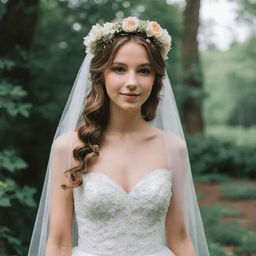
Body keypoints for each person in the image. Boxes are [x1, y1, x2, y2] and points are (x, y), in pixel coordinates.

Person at [28, 17, 210, 256]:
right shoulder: (69, 147)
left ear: (155, 78)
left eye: (144, 71)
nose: (132, 82)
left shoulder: (173, 147)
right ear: (101, 74)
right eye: (119, 69)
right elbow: (59, 242)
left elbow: (181, 238)